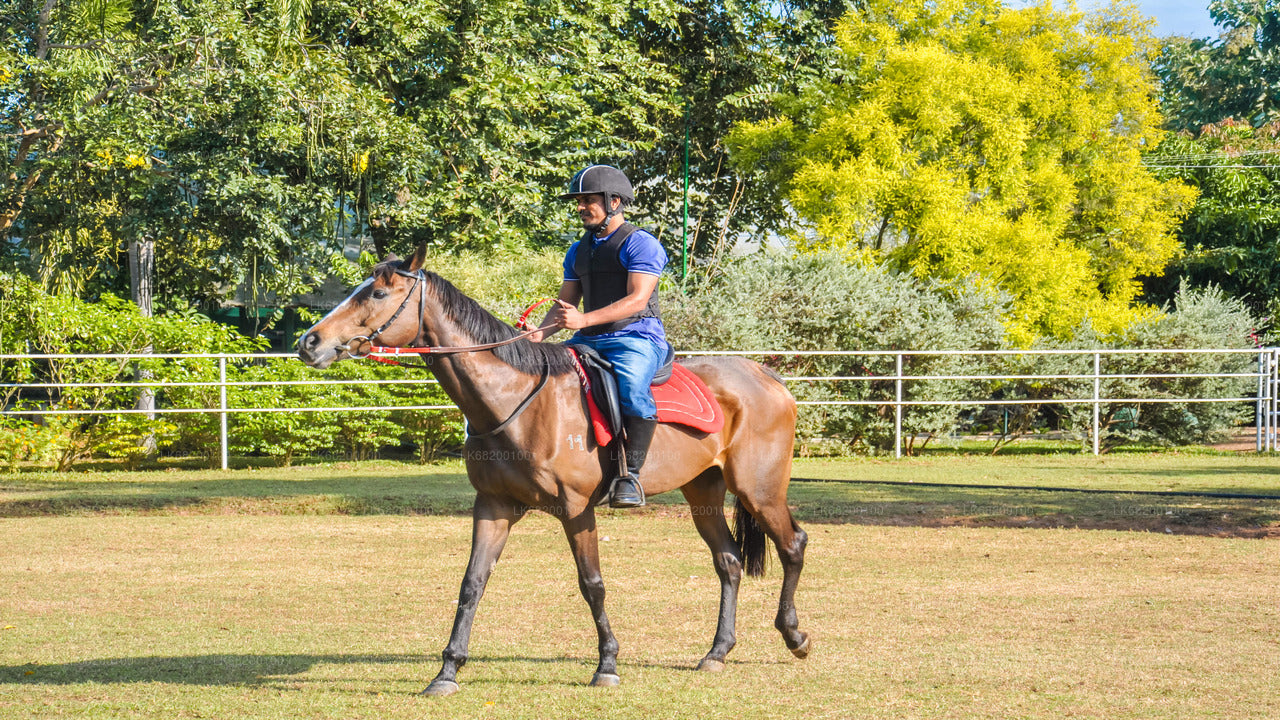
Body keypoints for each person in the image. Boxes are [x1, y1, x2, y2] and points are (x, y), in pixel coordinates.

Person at [530, 165, 669, 508]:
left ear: (615, 201)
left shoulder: (641, 244)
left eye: (588, 201)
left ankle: (630, 475)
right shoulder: (577, 251)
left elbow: (637, 299)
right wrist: (536, 336)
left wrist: (583, 319)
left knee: (633, 389)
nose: (580, 208)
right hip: (587, 338)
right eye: (578, 201)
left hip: (636, 337)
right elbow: (565, 306)